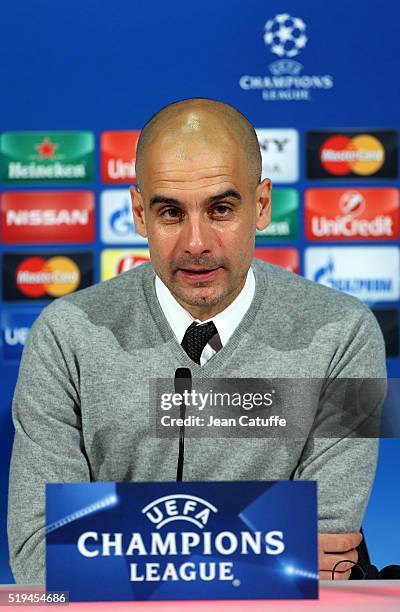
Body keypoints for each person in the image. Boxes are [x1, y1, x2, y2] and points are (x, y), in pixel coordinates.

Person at [8, 98, 386, 585]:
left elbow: (327, 557)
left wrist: (110, 549)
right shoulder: (67, 334)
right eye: (170, 212)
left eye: (221, 209)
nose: (196, 243)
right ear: (140, 214)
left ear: (263, 205)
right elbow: (39, 553)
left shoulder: (343, 333)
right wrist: (260, 548)